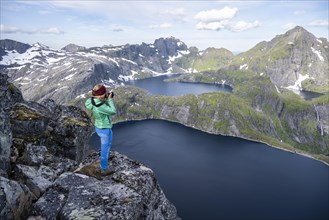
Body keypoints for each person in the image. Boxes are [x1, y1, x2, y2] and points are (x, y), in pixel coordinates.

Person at [85, 84, 116, 176]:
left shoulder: (91, 101)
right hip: (104, 128)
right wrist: (109, 99)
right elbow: (112, 111)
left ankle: (105, 158)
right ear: (101, 94)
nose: (106, 94)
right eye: (104, 93)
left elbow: (99, 104)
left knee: (108, 144)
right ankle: (104, 168)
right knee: (105, 149)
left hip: (101, 127)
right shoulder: (100, 106)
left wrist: (104, 99)